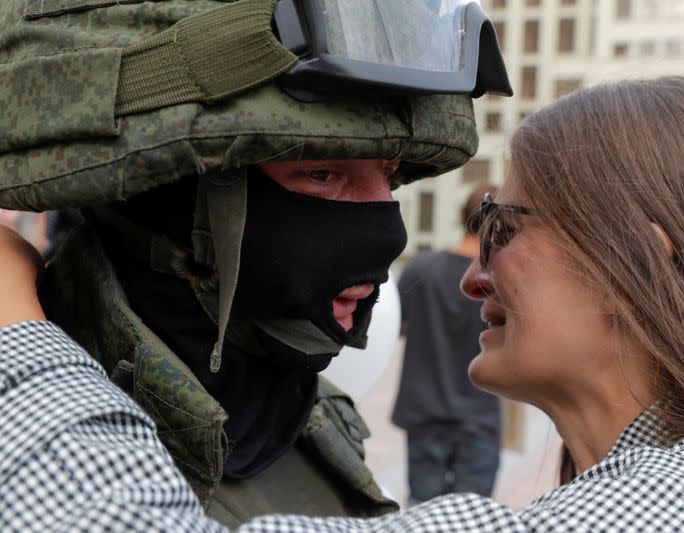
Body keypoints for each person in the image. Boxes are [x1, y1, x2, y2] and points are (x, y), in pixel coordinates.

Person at [2, 76, 684, 531]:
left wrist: (15, 321)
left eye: (505, 228)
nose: (471, 277)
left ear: (639, 267)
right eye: (323, 174)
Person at [0, 0, 511, 527]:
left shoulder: (308, 419)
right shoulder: (31, 447)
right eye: (322, 174)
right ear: (171, 200)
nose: (387, 233)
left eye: (390, 172)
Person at [392, 183, 501, 504]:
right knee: (474, 519)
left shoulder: (421, 268)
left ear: (459, 217)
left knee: (422, 514)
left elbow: (399, 326)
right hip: (480, 417)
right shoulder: (501, 283)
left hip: (424, 411)